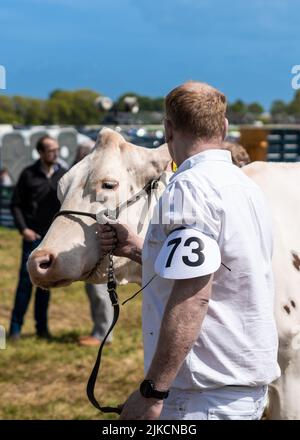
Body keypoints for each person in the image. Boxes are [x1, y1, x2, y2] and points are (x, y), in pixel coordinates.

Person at [99, 81, 280, 420]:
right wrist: (137, 248)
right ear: (224, 127)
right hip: (241, 385)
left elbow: (194, 294)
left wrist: (153, 391)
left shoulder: (189, 186)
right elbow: (215, 265)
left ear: (168, 130)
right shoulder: (244, 185)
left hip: (202, 394)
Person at [9, 135, 66, 340]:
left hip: (52, 239)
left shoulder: (63, 175)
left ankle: (42, 330)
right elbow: (15, 204)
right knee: (25, 284)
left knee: (45, 284)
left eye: (57, 149)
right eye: (51, 150)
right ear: (40, 153)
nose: (55, 153)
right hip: (32, 237)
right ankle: (15, 329)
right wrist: (24, 229)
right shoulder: (28, 174)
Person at [72, 142, 114, 347]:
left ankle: (103, 334)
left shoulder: (102, 183)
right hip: (91, 241)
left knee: (100, 288)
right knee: (93, 288)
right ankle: (99, 330)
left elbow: (110, 209)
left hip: (101, 241)